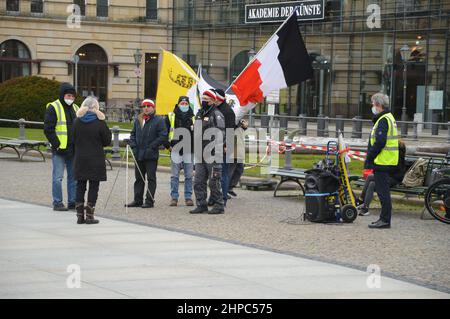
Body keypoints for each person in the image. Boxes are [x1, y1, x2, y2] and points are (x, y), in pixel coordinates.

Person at [73, 97, 112, 224]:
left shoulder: (77, 122)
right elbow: (107, 141)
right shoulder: (100, 123)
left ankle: (79, 215)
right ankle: (89, 215)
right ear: (96, 108)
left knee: (80, 185)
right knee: (94, 187)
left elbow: (71, 138)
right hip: (95, 159)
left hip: (80, 158)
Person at [365, 92, 399, 229]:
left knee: (383, 192)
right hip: (387, 161)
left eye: (373, 104)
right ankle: (383, 218)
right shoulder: (388, 117)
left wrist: (370, 157)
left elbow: (380, 142)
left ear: (378, 105)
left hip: (383, 162)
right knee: (382, 191)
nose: (373, 106)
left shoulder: (383, 119)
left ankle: (385, 220)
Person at [44, 83, 79, 211]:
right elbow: (48, 129)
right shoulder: (54, 107)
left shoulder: (76, 108)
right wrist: (57, 144)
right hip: (59, 150)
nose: (71, 98)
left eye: (73, 96)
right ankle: (57, 202)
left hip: (73, 149)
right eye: (68, 95)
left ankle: (72, 202)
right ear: (63, 95)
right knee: (58, 178)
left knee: (73, 177)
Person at [126, 99, 167, 208]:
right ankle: (137, 199)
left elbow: (163, 136)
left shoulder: (159, 120)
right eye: (144, 106)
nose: (146, 108)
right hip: (138, 153)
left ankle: (149, 200)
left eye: (149, 106)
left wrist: (152, 146)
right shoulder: (138, 119)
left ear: (153, 108)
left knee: (151, 178)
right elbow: (133, 134)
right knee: (139, 178)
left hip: (151, 154)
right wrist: (134, 147)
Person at [190, 89, 226, 215]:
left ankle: (219, 205)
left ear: (213, 101)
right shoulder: (199, 113)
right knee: (198, 180)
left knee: (213, 181)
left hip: (213, 154)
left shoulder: (217, 114)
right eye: (203, 99)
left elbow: (221, 133)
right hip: (200, 153)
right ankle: (201, 204)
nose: (204, 101)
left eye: (207, 99)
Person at [358, 140, 406, 216]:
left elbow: (393, 171)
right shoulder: (394, 155)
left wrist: (382, 170)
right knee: (370, 176)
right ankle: (361, 200)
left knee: (372, 184)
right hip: (388, 176)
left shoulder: (398, 158)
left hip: (394, 179)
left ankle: (365, 208)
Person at [164, 96, 195, 207]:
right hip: (175, 149)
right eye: (182, 103)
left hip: (189, 150)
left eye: (186, 103)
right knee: (174, 176)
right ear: (178, 104)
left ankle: (188, 197)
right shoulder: (170, 116)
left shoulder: (194, 118)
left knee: (189, 176)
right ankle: (174, 197)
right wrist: (168, 146)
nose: (184, 105)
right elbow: (164, 133)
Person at [208, 88, 235, 207]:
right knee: (214, 174)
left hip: (223, 147)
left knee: (223, 173)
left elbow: (230, 130)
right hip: (213, 146)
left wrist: (226, 146)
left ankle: (223, 198)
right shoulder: (214, 109)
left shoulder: (227, 111)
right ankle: (213, 197)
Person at [228, 118, 248, 197]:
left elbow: (241, 129)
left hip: (239, 147)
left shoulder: (239, 116)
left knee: (239, 169)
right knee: (230, 170)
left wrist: (244, 126)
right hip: (233, 147)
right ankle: (225, 189)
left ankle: (230, 187)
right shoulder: (231, 116)